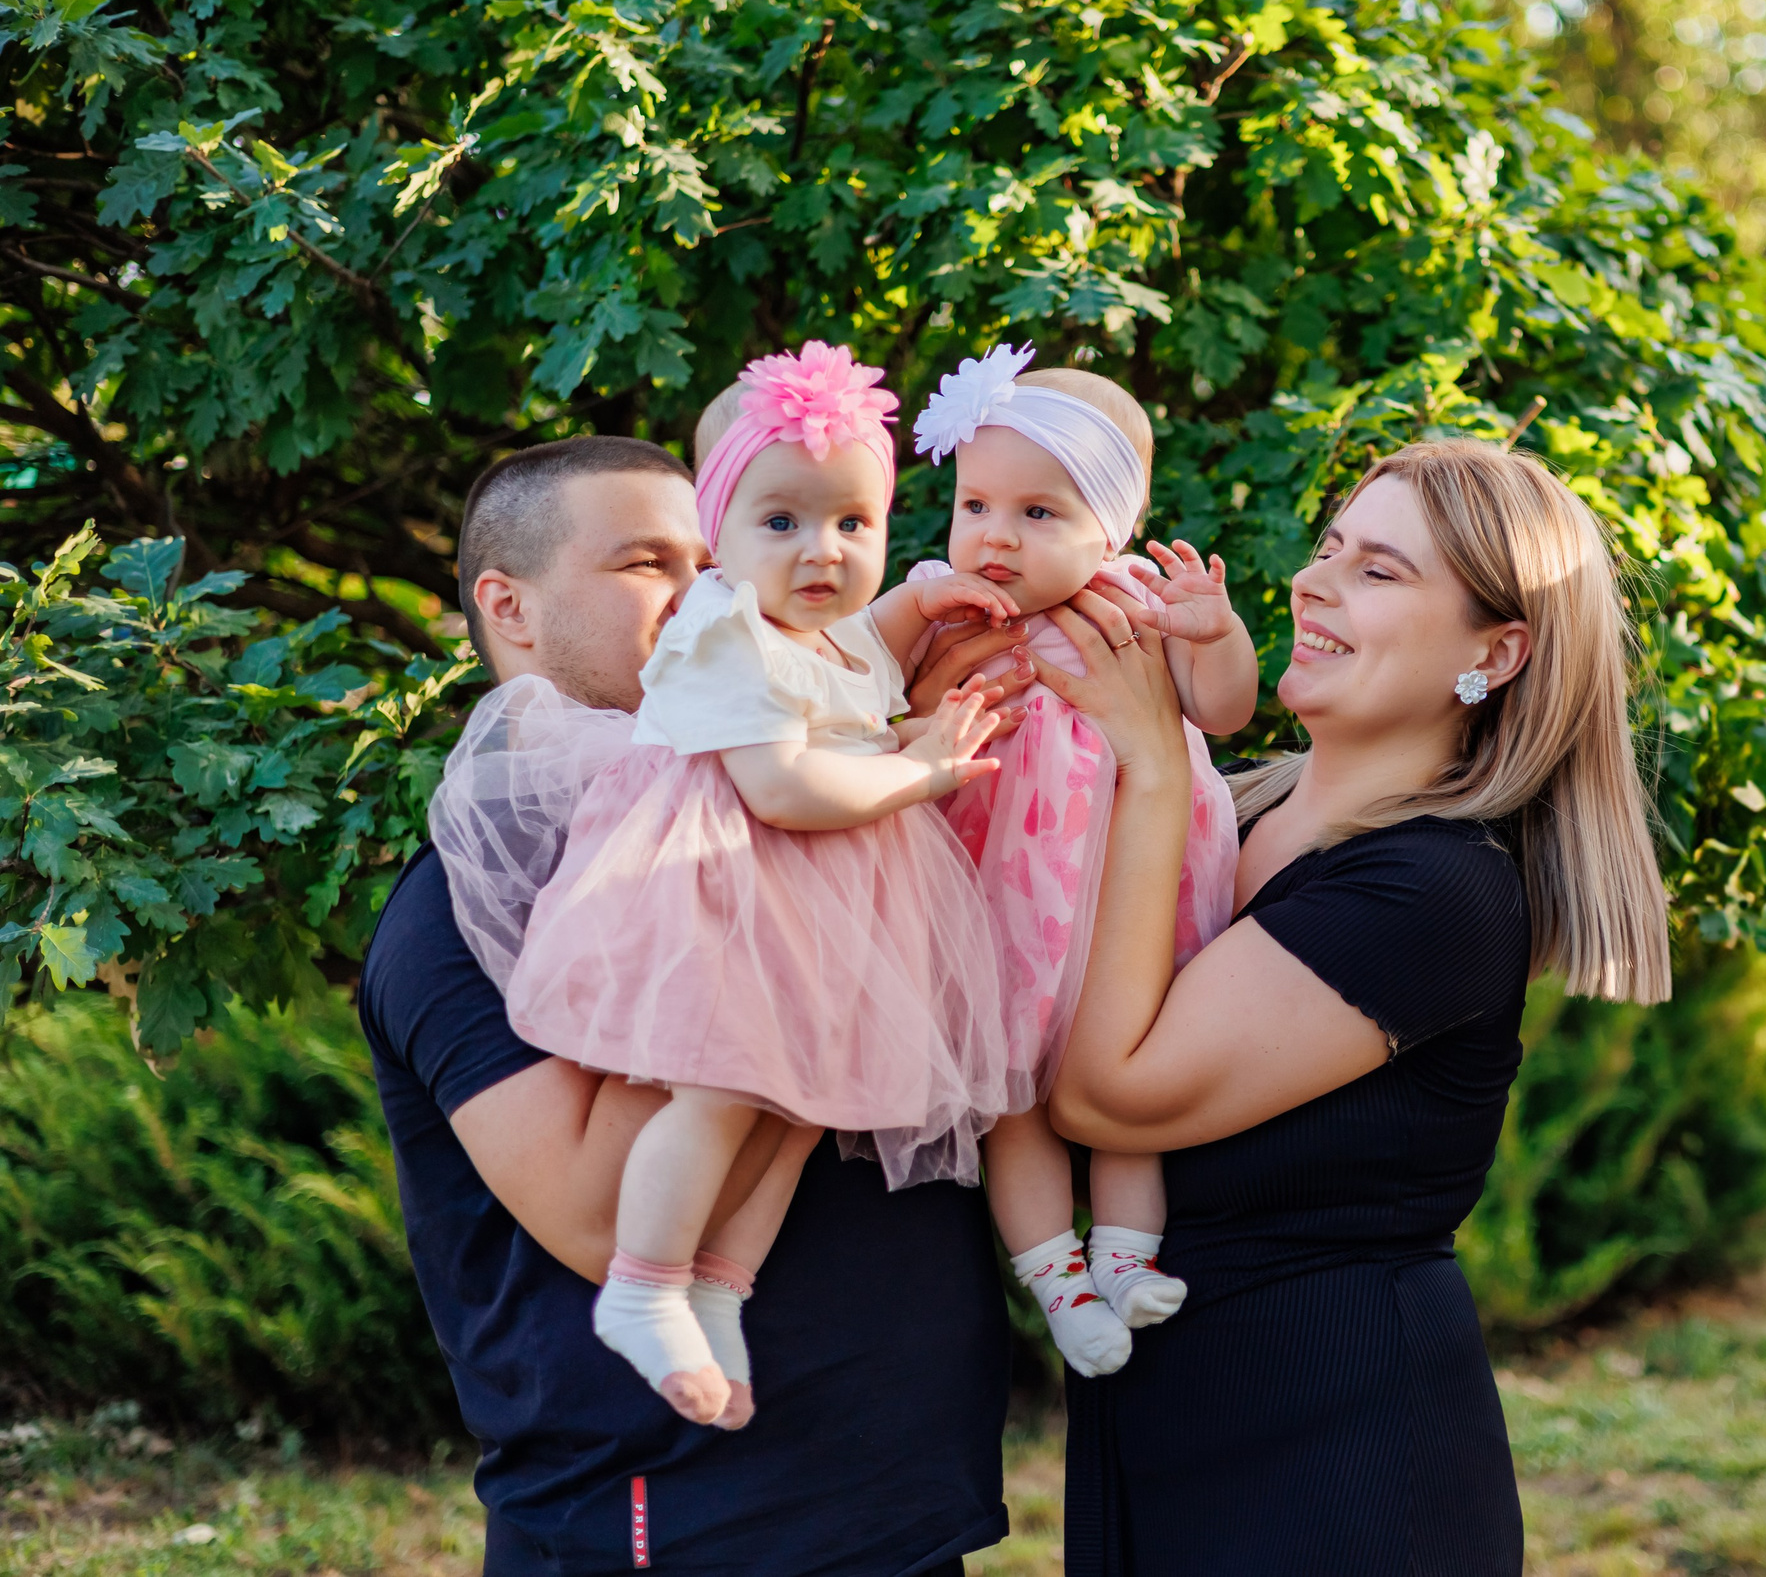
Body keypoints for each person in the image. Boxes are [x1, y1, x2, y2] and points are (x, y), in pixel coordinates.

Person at [358, 430, 1023, 1575]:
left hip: (896, 1499)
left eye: (708, 559)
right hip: (679, 1516)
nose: (704, 590)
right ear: (509, 608)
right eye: (644, 564)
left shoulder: (810, 809)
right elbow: (598, 1216)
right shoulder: (472, 899)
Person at [1038, 438, 1675, 1574]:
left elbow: (1108, 1097)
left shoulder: (1434, 890)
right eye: (1329, 549)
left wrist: (1149, 763)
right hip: (1172, 1425)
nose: (1312, 582)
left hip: (1339, 1469)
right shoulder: (1235, 810)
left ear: (1495, 652)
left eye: (1380, 571)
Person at [463, 343, 1018, 1430]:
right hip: (721, 879)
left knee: (800, 1103)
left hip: (823, 906)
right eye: (783, 524)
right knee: (719, 1086)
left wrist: (925, 598)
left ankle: (718, 1287)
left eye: (854, 526)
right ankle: (646, 1282)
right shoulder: (722, 630)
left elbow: (867, 652)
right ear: (726, 537)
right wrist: (922, 769)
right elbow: (782, 789)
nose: (822, 552)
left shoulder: (813, 626)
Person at [874, 343, 1253, 1378]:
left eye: (1039, 514)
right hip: (999, 892)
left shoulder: (1137, 603)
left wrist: (1213, 636)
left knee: (1127, 1080)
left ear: (1112, 528)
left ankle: (1128, 1259)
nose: (995, 536)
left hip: (1131, 882)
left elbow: (1224, 712)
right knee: (1014, 1093)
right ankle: (1059, 1284)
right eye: (978, 505)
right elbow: (859, 684)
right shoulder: (939, 602)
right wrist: (911, 625)